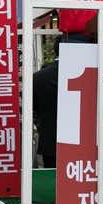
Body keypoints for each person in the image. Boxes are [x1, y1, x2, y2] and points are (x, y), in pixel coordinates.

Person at [32, 36, 60, 168]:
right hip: (82, 141)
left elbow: (33, 108)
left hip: (49, 140)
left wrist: (41, 126)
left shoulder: (39, 76)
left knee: (51, 176)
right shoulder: (89, 73)